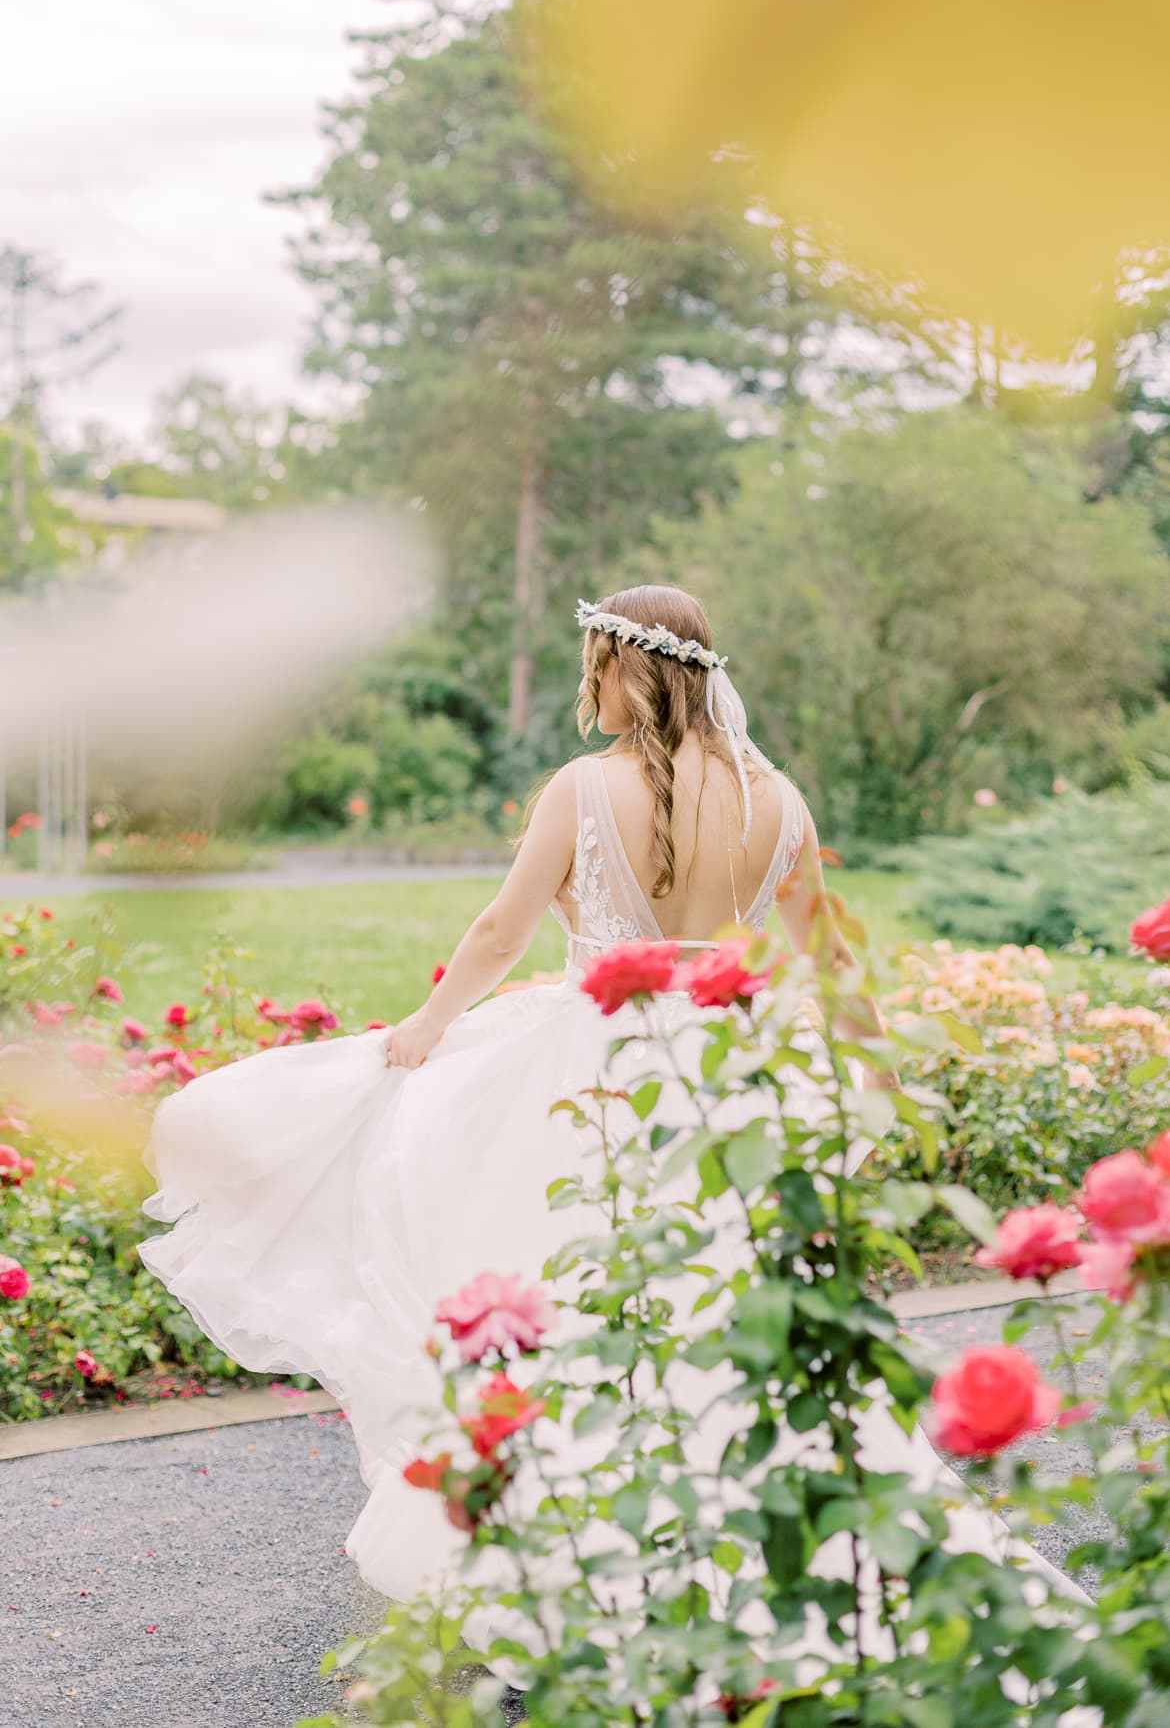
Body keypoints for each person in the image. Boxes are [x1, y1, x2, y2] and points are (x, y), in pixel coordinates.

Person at [138, 584, 1087, 1646]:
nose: (583, 679)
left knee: (569, 1297)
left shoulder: (585, 790)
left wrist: (426, 1023)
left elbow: (501, 931)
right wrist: (869, 1066)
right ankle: (777, 1546)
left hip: (594, 1071)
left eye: (591, 658)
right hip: (728, 1081)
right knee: (722, 1303)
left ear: (622, 666)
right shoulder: (779, 796)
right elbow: (830, 956)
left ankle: (564, 1564)